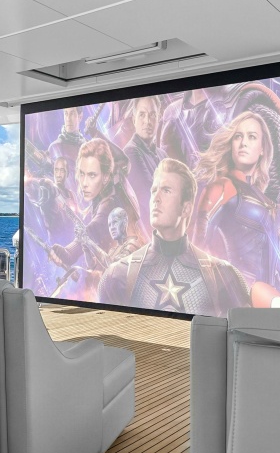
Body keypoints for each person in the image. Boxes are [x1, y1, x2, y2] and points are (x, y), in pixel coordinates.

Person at [98, 158, 251, 316]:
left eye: (166, 190)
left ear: (186, 208)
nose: (156, 198)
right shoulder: (117, 276)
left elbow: (244, 330)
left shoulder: (224, 276)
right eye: (154, 190)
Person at [193, 108, 280, 296]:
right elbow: (198, 248)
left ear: (262, 149)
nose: (243, 143)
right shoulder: (222, 187)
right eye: (238, 137)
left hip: (264, 298)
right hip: (234, 294)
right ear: (231, 144)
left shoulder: (265, 199)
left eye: (252, 137)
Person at [121, 96, 162, 225]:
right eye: (142, 115)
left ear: (159, 118)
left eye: (152, 115)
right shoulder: (131, 152)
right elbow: (149, 197)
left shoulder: (162, 154)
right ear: (134, 120)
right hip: (148, 229)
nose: (147, 121)